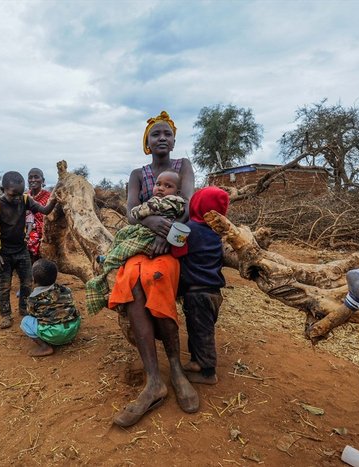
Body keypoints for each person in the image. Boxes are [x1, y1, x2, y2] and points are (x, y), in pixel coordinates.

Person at [107, 111, 197, 427]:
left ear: (174, 140)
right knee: (131, 279)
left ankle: (175, 368)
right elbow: (131, 211)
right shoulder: (137, 174)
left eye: (166, 134)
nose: (161, 138)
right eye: (155, 134)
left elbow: (188, 203)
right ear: (147, 142)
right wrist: (151, 222)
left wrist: (167, 232)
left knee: (156, 279)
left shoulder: (183, 166)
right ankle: (153, 379)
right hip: (143, 240)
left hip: (170, 243)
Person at [85, 170, 185, 315]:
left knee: (125, 247)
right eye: (158, 184)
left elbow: (136, 213)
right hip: (154, 235)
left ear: (178, 192)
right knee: (122, 234)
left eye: (168, 186)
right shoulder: (178, 203)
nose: (161, 188)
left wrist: (138, 212)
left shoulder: (162, 202)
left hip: (150, 237)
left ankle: (109, 261)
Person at [0, 171, 58, 329]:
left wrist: (53, 201)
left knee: (27, 282)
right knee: (3, 286)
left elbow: (44, 210)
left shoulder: (25, 199)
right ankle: (5, 315)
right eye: (13, 195)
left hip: (21, 250)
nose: (17, 198)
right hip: (4, 253)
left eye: (20, 194)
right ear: (2, 189)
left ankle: (24, 308)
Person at [175, 186, 230, 385]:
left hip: (198, 293)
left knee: (202, 332)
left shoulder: (190, 228)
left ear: (196, 205)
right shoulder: (217, 232)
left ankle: (208, 372)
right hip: (212, 293)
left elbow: (176, 249)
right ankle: (196, 362)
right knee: (198, 328)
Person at [20, 259, 81, 356]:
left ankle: (45, 347)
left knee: (25, 321)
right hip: (72, 330)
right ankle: (66, 338)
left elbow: (32, 313)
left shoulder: (34, 298)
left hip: (55, 335)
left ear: (34, 280)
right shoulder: (65, 289)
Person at [25, 168, 51, 263]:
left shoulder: (49, 197)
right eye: (30, 178)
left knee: (30, 239)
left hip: (40, 228)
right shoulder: (25, 196)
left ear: (43, 181)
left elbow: (46, 216)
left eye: (36, 177)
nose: (33, 180)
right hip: (24, 226)